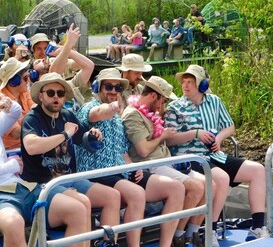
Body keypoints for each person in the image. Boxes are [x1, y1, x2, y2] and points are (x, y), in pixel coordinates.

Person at [0, 89, 94, 247]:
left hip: (22, 186)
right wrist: (8, 167)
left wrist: (5, 101)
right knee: (13, 223)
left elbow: (14, 112)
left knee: (78, 209)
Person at [75, 68, 184, 247]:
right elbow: (97, 113)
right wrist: (111, 108)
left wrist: (133, 167)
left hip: (121, 172)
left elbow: (123, 151)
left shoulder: (118, 118)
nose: (113, 91)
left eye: (117, 88)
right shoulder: (90, 107)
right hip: (99, 173)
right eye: (108, 86)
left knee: (176, 188)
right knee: (137, 193)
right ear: (98, 87)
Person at [164, 64, 269, 242]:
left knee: (257, 169)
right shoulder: (175, 107)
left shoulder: (215, 101)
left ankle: (257, 227)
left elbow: (230, 126)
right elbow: (170, 140)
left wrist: (219, 138)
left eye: (191, 82)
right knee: (222, 178)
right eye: (184, 82)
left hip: (215, 155)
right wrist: (195, 134)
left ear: (202, 85)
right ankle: (209, 231)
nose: (185, 86)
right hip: (190, 158)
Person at [20, 72, 121, 245]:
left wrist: (92, 134)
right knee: (82, 203)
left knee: (112, 196)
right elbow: (31, 147)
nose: (56, 97)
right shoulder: (32, 118)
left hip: (68, 179)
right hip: (41, 185)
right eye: (51, 93)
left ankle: (107, 244)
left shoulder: (67, 115)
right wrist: (64, 134)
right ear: (41, 96)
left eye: (60, 93)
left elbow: (82, 137)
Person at [122, 76, 213, 246]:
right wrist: (163, 136)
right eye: (163, 101)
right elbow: (143, 151)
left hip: (165, 161)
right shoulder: (132, 115)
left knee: (210, 184)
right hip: (151, 165)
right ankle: (174, 238)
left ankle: (188, 234)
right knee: (195, 187)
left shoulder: (150, 113)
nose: (163, 106)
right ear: (154, 96)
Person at [0, 58, 35, 149]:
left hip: (29, 143)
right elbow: (16, 133)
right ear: (14, 82)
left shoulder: (24, 91)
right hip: (12, 150)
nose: (28, 81)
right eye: (25, 78)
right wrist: (39, 122)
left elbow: (35, 107)